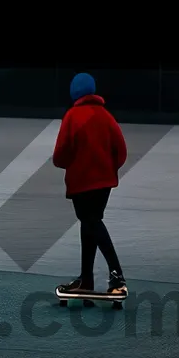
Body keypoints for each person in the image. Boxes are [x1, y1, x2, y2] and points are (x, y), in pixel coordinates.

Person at [51, 72, 128, 298]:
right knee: (90, 224)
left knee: (92, 222)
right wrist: (108, 168)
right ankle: (86, 278)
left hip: (81, 182)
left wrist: (71, 165)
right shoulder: (106, 116)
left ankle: (117, 275)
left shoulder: (72, 116)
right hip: (104, 183)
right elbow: (121, 151)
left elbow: (60, 155)